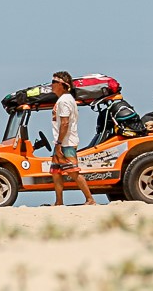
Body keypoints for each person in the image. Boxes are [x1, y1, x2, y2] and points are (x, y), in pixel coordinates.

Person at [50, 72, 96, 206]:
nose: (51, 85)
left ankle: (90, 199)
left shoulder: (64, 101)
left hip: (66, 143)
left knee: (73, 171)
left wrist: (59, 143)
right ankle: (59, 201)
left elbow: (65, 123)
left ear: (62, 85)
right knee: (56, 172)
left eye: (54, 82)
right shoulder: (64, 100)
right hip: (61, 142)